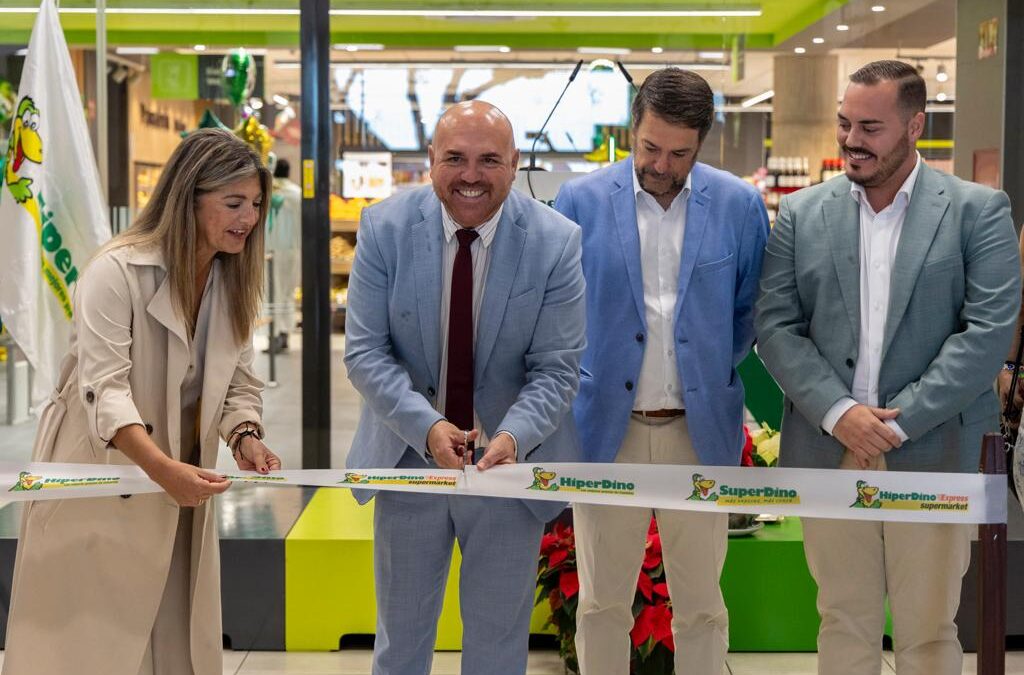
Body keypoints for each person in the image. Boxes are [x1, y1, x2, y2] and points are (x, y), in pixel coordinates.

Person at [755, 60, 1019, 675]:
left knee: (928, 631)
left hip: (933, 451)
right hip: (831, 450)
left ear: (915, 125)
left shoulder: (977, 211)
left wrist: (898, 424)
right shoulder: (801, 213)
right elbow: (775, 326)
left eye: (870, 127)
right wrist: (840, 413)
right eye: (844, 123)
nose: (851, 140)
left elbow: (986, 337)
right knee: (843, 622)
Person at [3, 128, 282, 675]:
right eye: (232, 203)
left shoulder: (232, 275)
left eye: (254, 204)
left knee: (172, 636)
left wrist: (245, 436)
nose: (248, 218)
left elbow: (238, 382)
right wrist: (161, 469)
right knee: (88, 641)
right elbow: (105, 389)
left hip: (176, 480)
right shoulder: (115, 271)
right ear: (188, 198)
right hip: (107, 474)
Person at [344, 100, 585, 675]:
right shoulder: (384, 228)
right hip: (407, 461)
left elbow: (558, 367)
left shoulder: (557, 241)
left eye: (488, 160)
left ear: (515, 162)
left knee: (498, 649)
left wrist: (514, 435)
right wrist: (425, 426)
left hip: (505, 468)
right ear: (430, 159)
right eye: (454, 158)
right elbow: (365, 352)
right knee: (400, 642)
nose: (471, 175)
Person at [553, 67, 770, 675]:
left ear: (702, 144)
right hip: (606, 433)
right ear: (632, 131)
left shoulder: (738, 203)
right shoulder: (579, 201)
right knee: (600, 602)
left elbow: (750, 306)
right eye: (650, 148)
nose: (662, 165)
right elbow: (561, 311)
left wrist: (706, 369)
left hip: (697, 431)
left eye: (679, 153)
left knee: (701, 602)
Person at [265, 157, 302, 351]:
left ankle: (274, 335)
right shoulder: (298, 194)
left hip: (270, 250)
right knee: (288, 292)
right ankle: (285, 333)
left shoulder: (268, 193)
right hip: (294, 249)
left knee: (272, 294)